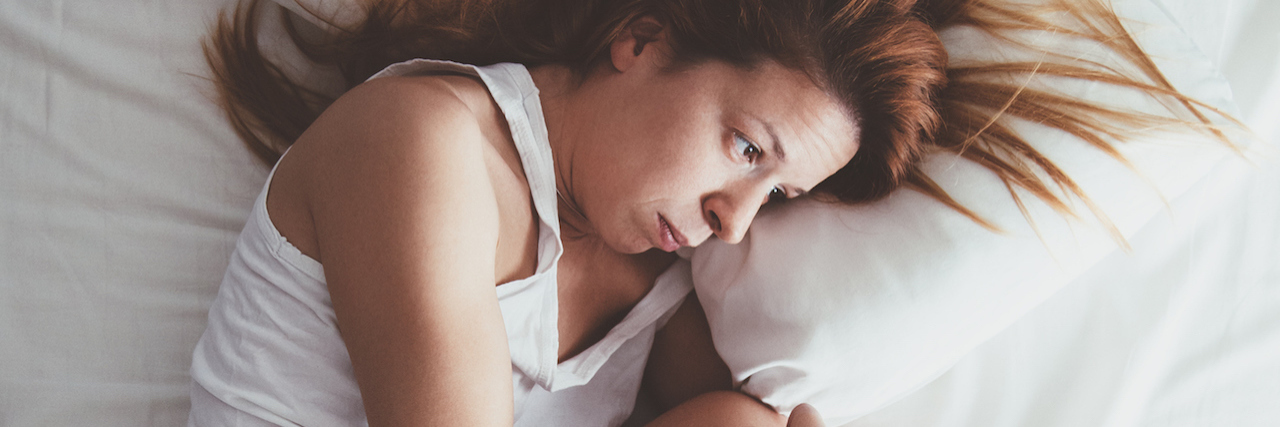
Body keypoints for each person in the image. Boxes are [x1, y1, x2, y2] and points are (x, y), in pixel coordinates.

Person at [189, 0, 1225, 425]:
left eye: (778, 196)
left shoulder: (666, 273)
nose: (738, 220)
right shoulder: (425, 143)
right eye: (745, 150)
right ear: (639, 42)